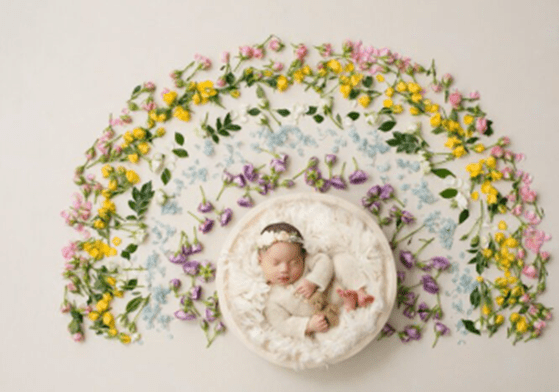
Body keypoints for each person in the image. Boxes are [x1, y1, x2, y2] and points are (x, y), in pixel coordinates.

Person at [258, 222, 375, 339]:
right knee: (324, 334)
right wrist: (308, 325)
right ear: (260, 260)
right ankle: (349, 307)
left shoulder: (306, 263)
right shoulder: (272, 298)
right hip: (322, 316)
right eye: (276, 263)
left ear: (302, 256)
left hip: (337, 285)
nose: (284, 269)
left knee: (340, 260)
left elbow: (324, 261)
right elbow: (281, 323)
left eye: (294, 262)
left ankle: (359, 290)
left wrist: (313, 281)